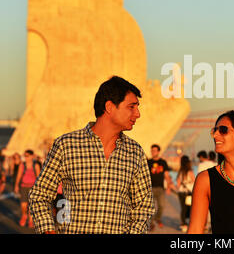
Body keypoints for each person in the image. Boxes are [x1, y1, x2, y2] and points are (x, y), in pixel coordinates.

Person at [29, 76, 155, 234]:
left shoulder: (135, 152)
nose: (138, 114)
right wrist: (48, 231)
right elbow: (40, 194)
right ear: (109, 107)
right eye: (131, 107)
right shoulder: (67, 145)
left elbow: (143, 208)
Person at [147, 144, 174, 229]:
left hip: (160, 188)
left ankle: (157, 218)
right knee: (151, 207)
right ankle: (151, 224)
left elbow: (166, 175)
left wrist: (169, 187)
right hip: (150, 188)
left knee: (162, 206)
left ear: (158, 152)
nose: (152, 152)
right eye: (152, 150)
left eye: (154, 150)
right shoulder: (148, 162)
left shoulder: (163, 162)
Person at [14, 150, 41, 227]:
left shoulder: (36, 165)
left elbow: (38, 177)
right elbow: (19, 175)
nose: (26, 157)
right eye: (25, 155)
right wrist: (16, 185)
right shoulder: (22, 165)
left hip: (32, 187)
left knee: (30, 205)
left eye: (27, 155)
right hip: (23, 186)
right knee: (23, 205)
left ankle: (30, 220)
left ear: (32, 156)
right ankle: (24, 215)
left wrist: (38, 188)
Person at [176, 155, 195, 233]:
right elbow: (194, 181)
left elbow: (178, 183)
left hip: (181, 192)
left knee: (183, 209)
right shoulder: (190, 171)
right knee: (189, 209)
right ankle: (188, 224)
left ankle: (183, 224)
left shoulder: (180, 172)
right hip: (188, 193)